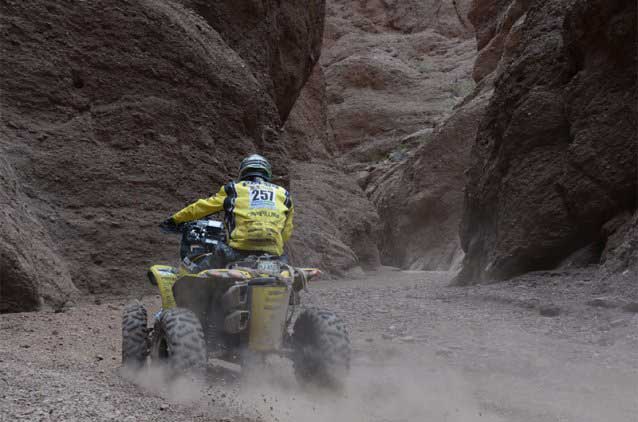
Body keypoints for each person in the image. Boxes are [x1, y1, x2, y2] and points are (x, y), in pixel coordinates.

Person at [160, 154, 293, 260]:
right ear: (267, 173)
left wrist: (175, 219)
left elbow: (202, 207)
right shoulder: (284, 194)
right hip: (273, 253)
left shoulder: (234, 189)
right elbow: (287, 231)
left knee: (200, 270)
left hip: (239, 249)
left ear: (243, 172)